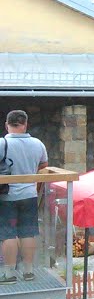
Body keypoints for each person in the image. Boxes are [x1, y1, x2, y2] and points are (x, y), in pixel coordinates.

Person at [0, 110, 48, 284]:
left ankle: (9, 274)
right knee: (28, 232)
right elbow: (43, 165)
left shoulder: (2, 143)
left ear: (7, 125)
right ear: (25, 124)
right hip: (30, 194)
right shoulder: (38, 144)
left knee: (8, 234)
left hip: (7, 196)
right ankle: (28, 272)